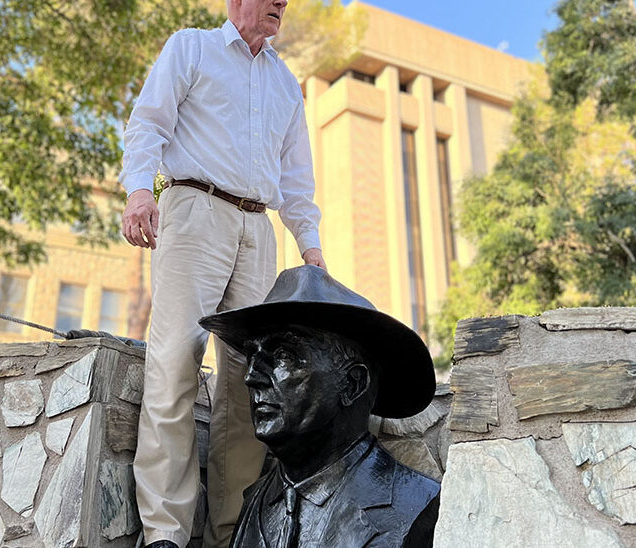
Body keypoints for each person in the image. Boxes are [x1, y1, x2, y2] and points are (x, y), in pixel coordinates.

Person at [118, 0, 325, 546]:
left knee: (251, 383)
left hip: (259, 230)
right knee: (174, 362)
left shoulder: (286, 83)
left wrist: (310, 247)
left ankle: (230, 531)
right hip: (194, 211)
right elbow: (149, 124)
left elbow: (296, 175)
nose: (283, 2)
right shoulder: (191, 48)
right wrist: (141, 189)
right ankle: (166, 532)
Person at [200, 265, 441, 548]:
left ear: (353, 384)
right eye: (252, 355)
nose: (252, 376)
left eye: (283, 355)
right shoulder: (254, 503)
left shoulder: (415, 503)